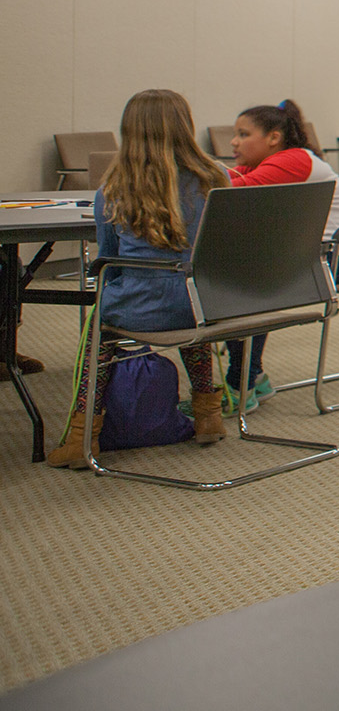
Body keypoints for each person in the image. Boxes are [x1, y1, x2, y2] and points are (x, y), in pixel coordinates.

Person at [47, 90, 230, 468]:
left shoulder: (112, 190)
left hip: (142, 309)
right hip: (208, 306)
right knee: (187, 301)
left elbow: (108, 261)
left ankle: (84, 437)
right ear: (186, 126)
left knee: (100, 329)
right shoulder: (216, 177)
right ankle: (208, 415)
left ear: (128, 132)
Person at [224, 100, 339, 408]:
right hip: (320, 252)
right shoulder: (264, 164)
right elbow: (224, 182)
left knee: (245, 282)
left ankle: (241, 382)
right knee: (237, 274)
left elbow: (228, 190)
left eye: (243, 134)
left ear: (273, 138)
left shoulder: (293, 160)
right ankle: (251, 377)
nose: (233, 141)